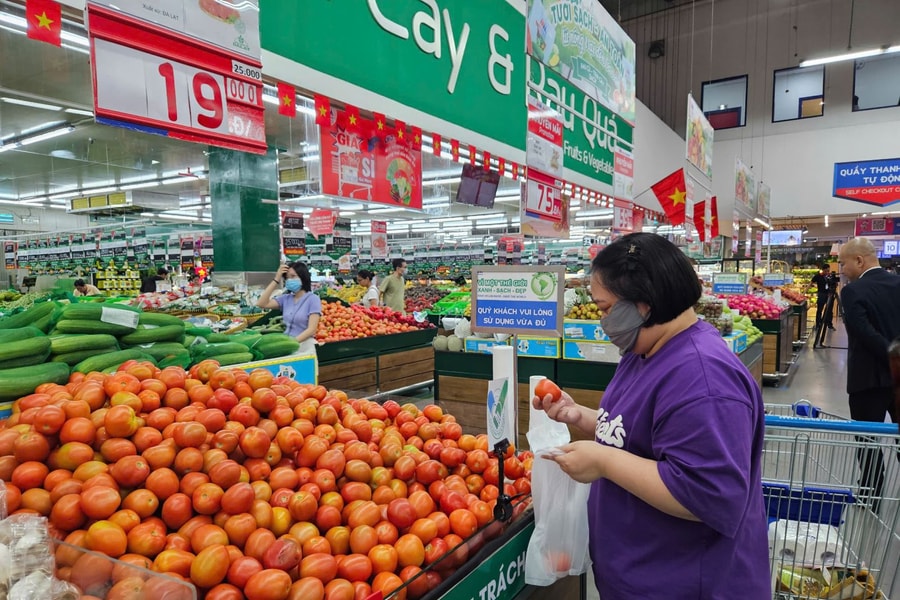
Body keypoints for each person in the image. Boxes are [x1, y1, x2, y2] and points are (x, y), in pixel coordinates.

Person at [532, 232, 770, 599]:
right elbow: (638, 434)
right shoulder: (644, 350)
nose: (602, 320)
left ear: (644, 304)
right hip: (641, 575)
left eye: (607, 308)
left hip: (688, 585)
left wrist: (604, 462)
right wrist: (577, 415)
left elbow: (707, 493)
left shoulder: (703, 378)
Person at [838, 238, 900, 506]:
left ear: (859, 261)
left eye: (843, 263)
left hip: (867, 382)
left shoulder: (853, 291)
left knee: (867, 441)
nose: (841, 269)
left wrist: (890, 355)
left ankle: (871, 495)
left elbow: (864, 333)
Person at [257, 261, 322, 355]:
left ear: (303, 277)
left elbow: (311, 329)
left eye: (293, 276)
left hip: (305, 347)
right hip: (287, 345)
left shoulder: (313, 299)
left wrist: (291, 343)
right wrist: (276, 279)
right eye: (287, 277)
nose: (289, 280)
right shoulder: (285, 298)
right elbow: (261, 303)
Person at [809, 263, 836, 329]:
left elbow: (834, 284)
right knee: (819, 309)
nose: (827, 272)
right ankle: (818, 324)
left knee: (829, 310)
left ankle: (829, 324)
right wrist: (804, 292)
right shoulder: (818, 276)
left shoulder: (830, 276)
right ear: (823, 270)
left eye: (828, 271)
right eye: (826, 271)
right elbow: (811, 283)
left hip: (829, 294)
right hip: (821, 294)